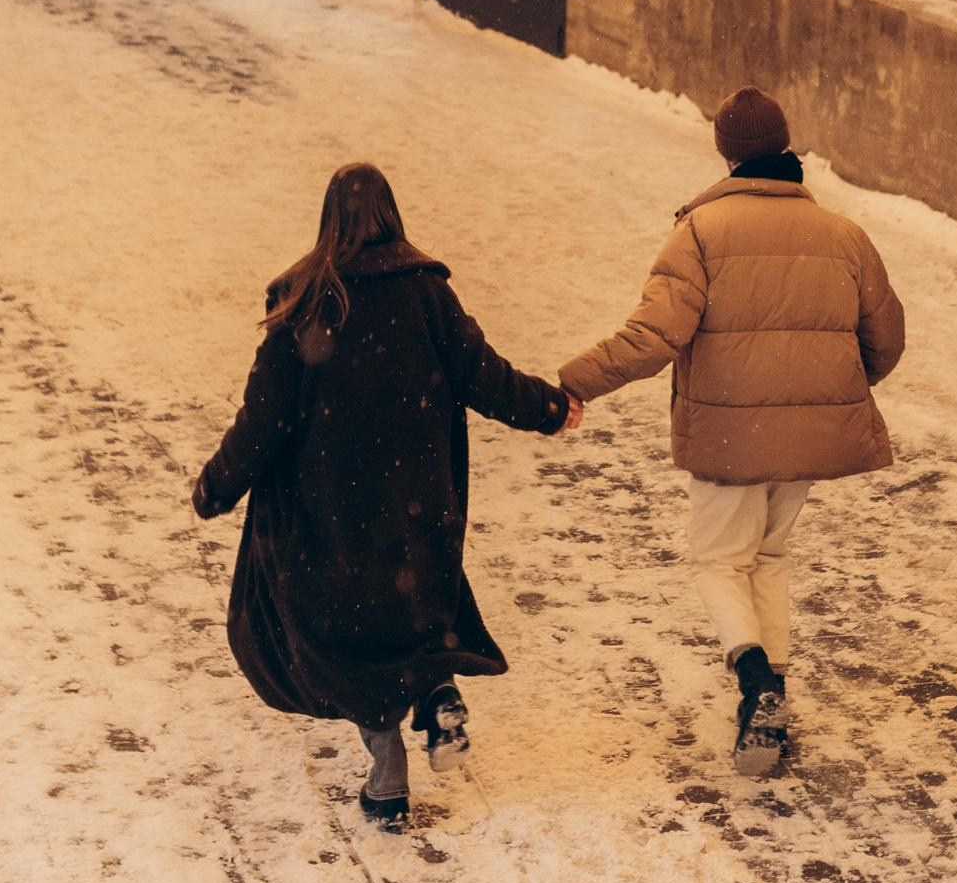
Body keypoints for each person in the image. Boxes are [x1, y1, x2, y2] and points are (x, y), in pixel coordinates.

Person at [193, 162, 573, 829]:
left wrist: (216, 486)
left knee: (340, 645)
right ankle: (437, 699)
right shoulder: (426, 291)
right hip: (417, 507)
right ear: (393, 217)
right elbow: (485, 377)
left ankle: (387, 768)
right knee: (416, 611)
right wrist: (548, 407)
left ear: (328, 221)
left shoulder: (304, 301)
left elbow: (264, 422)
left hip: (328, 518)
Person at [559, 89, 905, 780]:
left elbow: (653, 336)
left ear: (725, 152)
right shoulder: (844, 234)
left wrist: (572, 382)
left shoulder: (700, 233)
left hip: (729, 433)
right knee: (770, 557)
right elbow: (886, 339)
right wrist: (825, 390)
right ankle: (769, 712)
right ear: (785, 148)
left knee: (719, 560)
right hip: (807, 436)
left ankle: (756, 687)